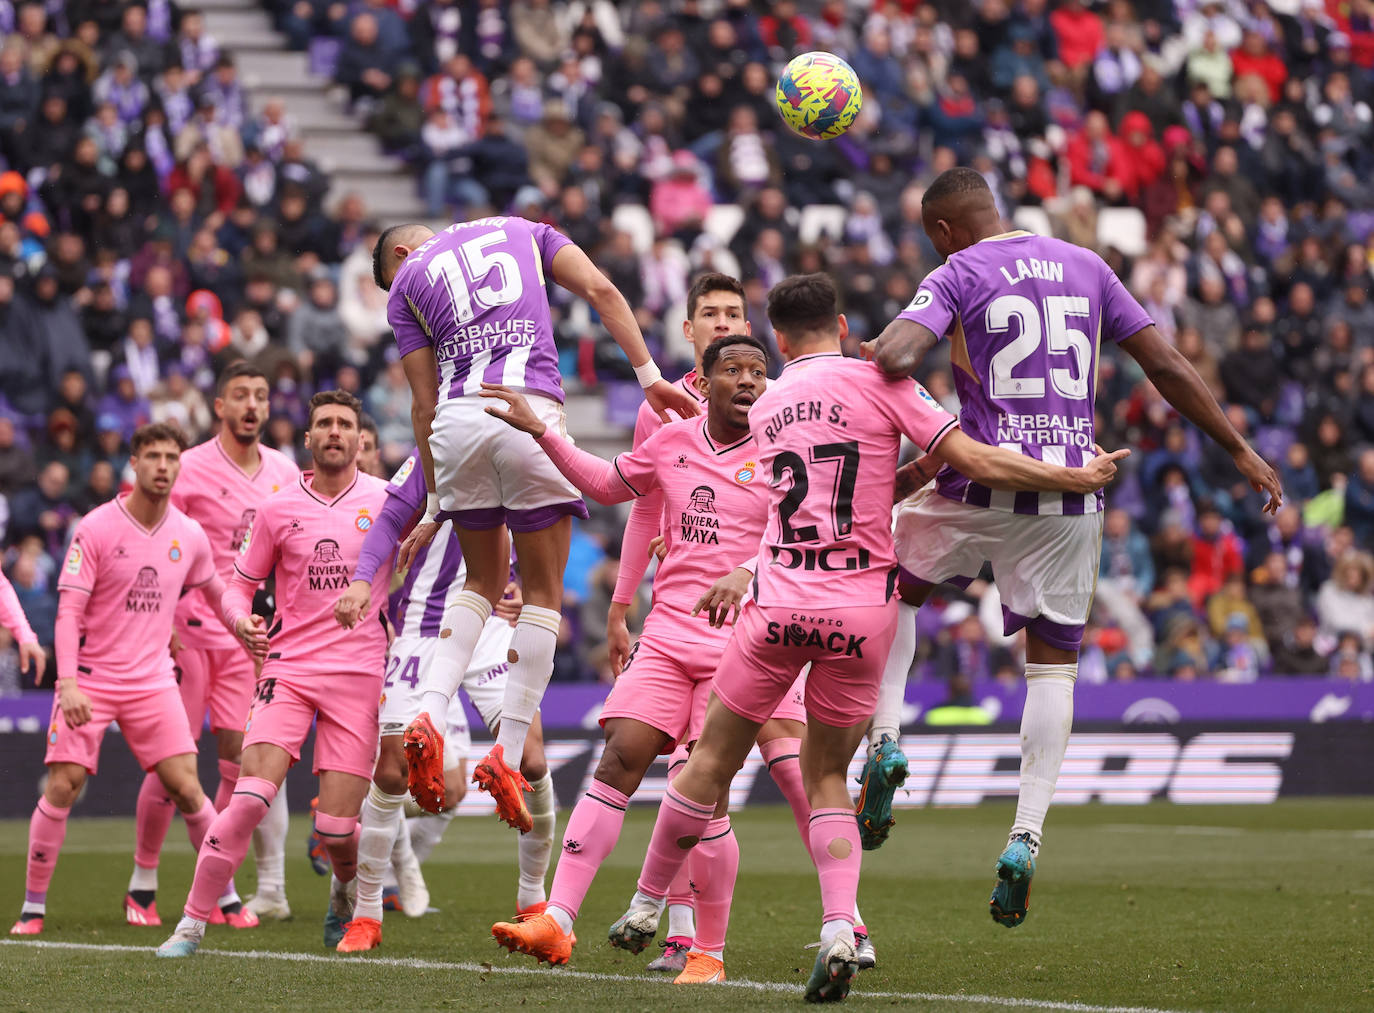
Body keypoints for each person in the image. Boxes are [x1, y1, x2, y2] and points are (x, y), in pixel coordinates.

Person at [613, 274, 1125, 1001]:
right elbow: (965, 460)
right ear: (846, 325)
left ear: (779, 340)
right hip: (861, 613)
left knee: (709, 763)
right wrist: (1068, 475)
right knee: (827, 778)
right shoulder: (883, 381)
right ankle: (839, 928)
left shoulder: (768, 400)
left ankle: (643, 904)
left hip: (779, 605)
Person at [866, 167, 1282, 931]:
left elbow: (895, 356)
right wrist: (1240, 450)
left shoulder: (959, 268)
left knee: (893, 587)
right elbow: (1165, 366)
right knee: (1052, 662)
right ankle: (1026, 833)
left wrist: (863, 354)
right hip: (1071, 488)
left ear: (944, 230)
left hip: (983, 478)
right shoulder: (1088, 266)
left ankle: (885, 740)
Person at [485, 335, 854, 983]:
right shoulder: (672, 441)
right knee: (621, 754)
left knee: (701, 790)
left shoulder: (780, 456)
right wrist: (540, 430)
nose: (747, 380)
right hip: (667, 636)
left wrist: (744, 570)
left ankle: (708, 951)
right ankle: (559, 918)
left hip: (741, 646)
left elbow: (799, 539)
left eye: (757, 372)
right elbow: (605, 484)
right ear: (703, 382)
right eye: (733, 370)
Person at [371, 217, 698, 832]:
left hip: (459, 422)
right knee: (542, 595)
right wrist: (649, 377)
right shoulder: (524, 230)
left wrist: (437, 498)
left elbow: (423, 402)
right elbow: (601, 291)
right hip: (527, 412)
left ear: (401, 253)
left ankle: (430, 713)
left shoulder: (408, 280)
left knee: (480, 584)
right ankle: (509, 751)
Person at [156, 391, 392, 957]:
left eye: (345, 425)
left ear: (360, 440)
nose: (335, 432)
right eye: (324, 425)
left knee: (337, 831)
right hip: (288, 668)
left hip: (360, 674)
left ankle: (343, 891)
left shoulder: (389, 504)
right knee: (249, 797)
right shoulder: (278, 508)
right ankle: (190, 925)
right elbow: (237, 585)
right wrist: (240, 620)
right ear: (307, 441)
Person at [327, 444, 555, 953]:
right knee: (391, 774)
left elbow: (535, 530)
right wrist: (364, 583)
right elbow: (389, 520)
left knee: (533, 762)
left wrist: (518, 583)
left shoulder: (525, 442)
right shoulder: (437, 442)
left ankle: (534, 903)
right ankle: (365, 915)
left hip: (492, 626)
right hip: (424, 630)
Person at [11, 424, 228, 936]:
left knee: (189, 788)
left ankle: (224, 894)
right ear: (134, 463)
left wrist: (240, 623)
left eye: (171, 457)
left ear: (179, 466)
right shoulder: (97, 527)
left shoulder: (188, 533)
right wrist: (67, 683)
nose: (162, 465)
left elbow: (216, 590)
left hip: (153, 680)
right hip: (91, 679)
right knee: (64, 784)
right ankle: (33, 906)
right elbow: (68, 613)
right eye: (152, 455)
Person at [126, 362, 298, 928]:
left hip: (246, 640)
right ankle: (144, 883)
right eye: (241, 396)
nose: (252, 405)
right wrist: (162, 618)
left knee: (237, 758)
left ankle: (218, 884)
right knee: (170, 762)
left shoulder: (283, 471)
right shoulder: (189, 466)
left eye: (261, 395)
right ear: (219, 407)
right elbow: (143, 531)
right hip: (188, 637)